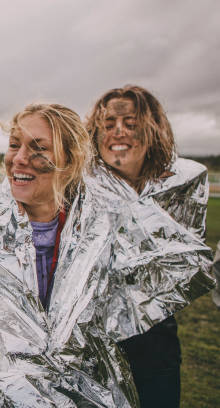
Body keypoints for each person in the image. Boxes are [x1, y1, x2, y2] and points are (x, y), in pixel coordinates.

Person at [0, 103, 214, 406]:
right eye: (14, 145)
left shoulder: (101, 229)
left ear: (71, 159)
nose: (20, 159)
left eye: (39, 149)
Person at [86, 84, 213, 407]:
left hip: (154, 336)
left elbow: (181, 271)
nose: (119, 132)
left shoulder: (182, 185)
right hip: (87, 338)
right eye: (109, 123)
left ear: (151, 129)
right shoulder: (76, 184)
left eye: (131, 124)